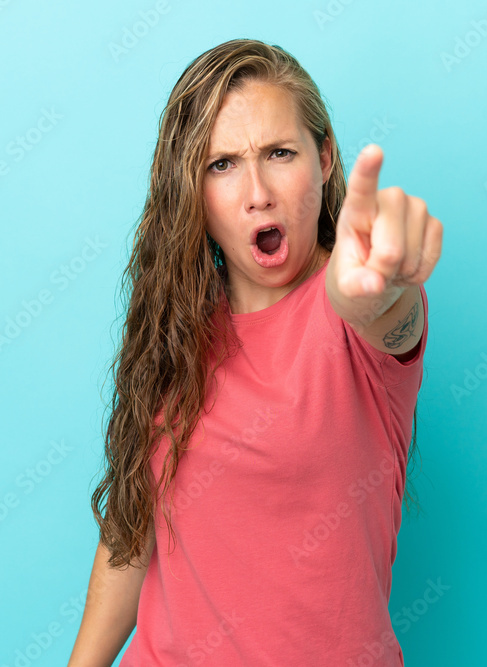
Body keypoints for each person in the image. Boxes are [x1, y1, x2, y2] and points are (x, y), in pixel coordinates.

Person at [68, 38, 442, 667]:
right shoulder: (175, 331)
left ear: (324, 160)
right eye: (222, 164)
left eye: (280, 153)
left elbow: (388, 316)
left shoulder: (351, 318)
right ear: (192, 191)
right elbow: (133, 532)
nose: (258, 192)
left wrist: (389, 284)